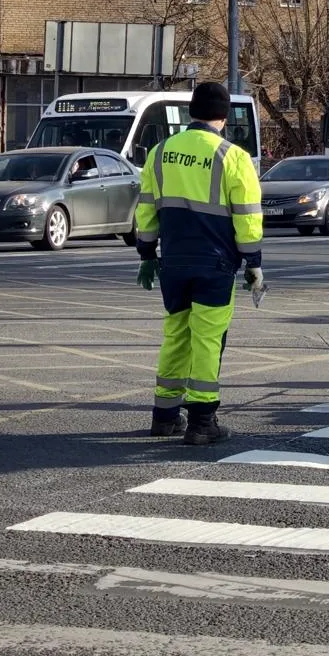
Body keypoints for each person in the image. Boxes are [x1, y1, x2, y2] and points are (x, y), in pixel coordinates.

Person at [133, 81, 265, 446]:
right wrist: (254, 263)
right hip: (214, 264)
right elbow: (248, 217)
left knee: (175, 335)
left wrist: (147, 255)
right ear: (225, 116)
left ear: (192, 112)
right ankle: (202, 422)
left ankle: (164, 416)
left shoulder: (160, 152)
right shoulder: (231, 156)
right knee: (207, 339)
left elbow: (145, 209)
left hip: (172, 263)